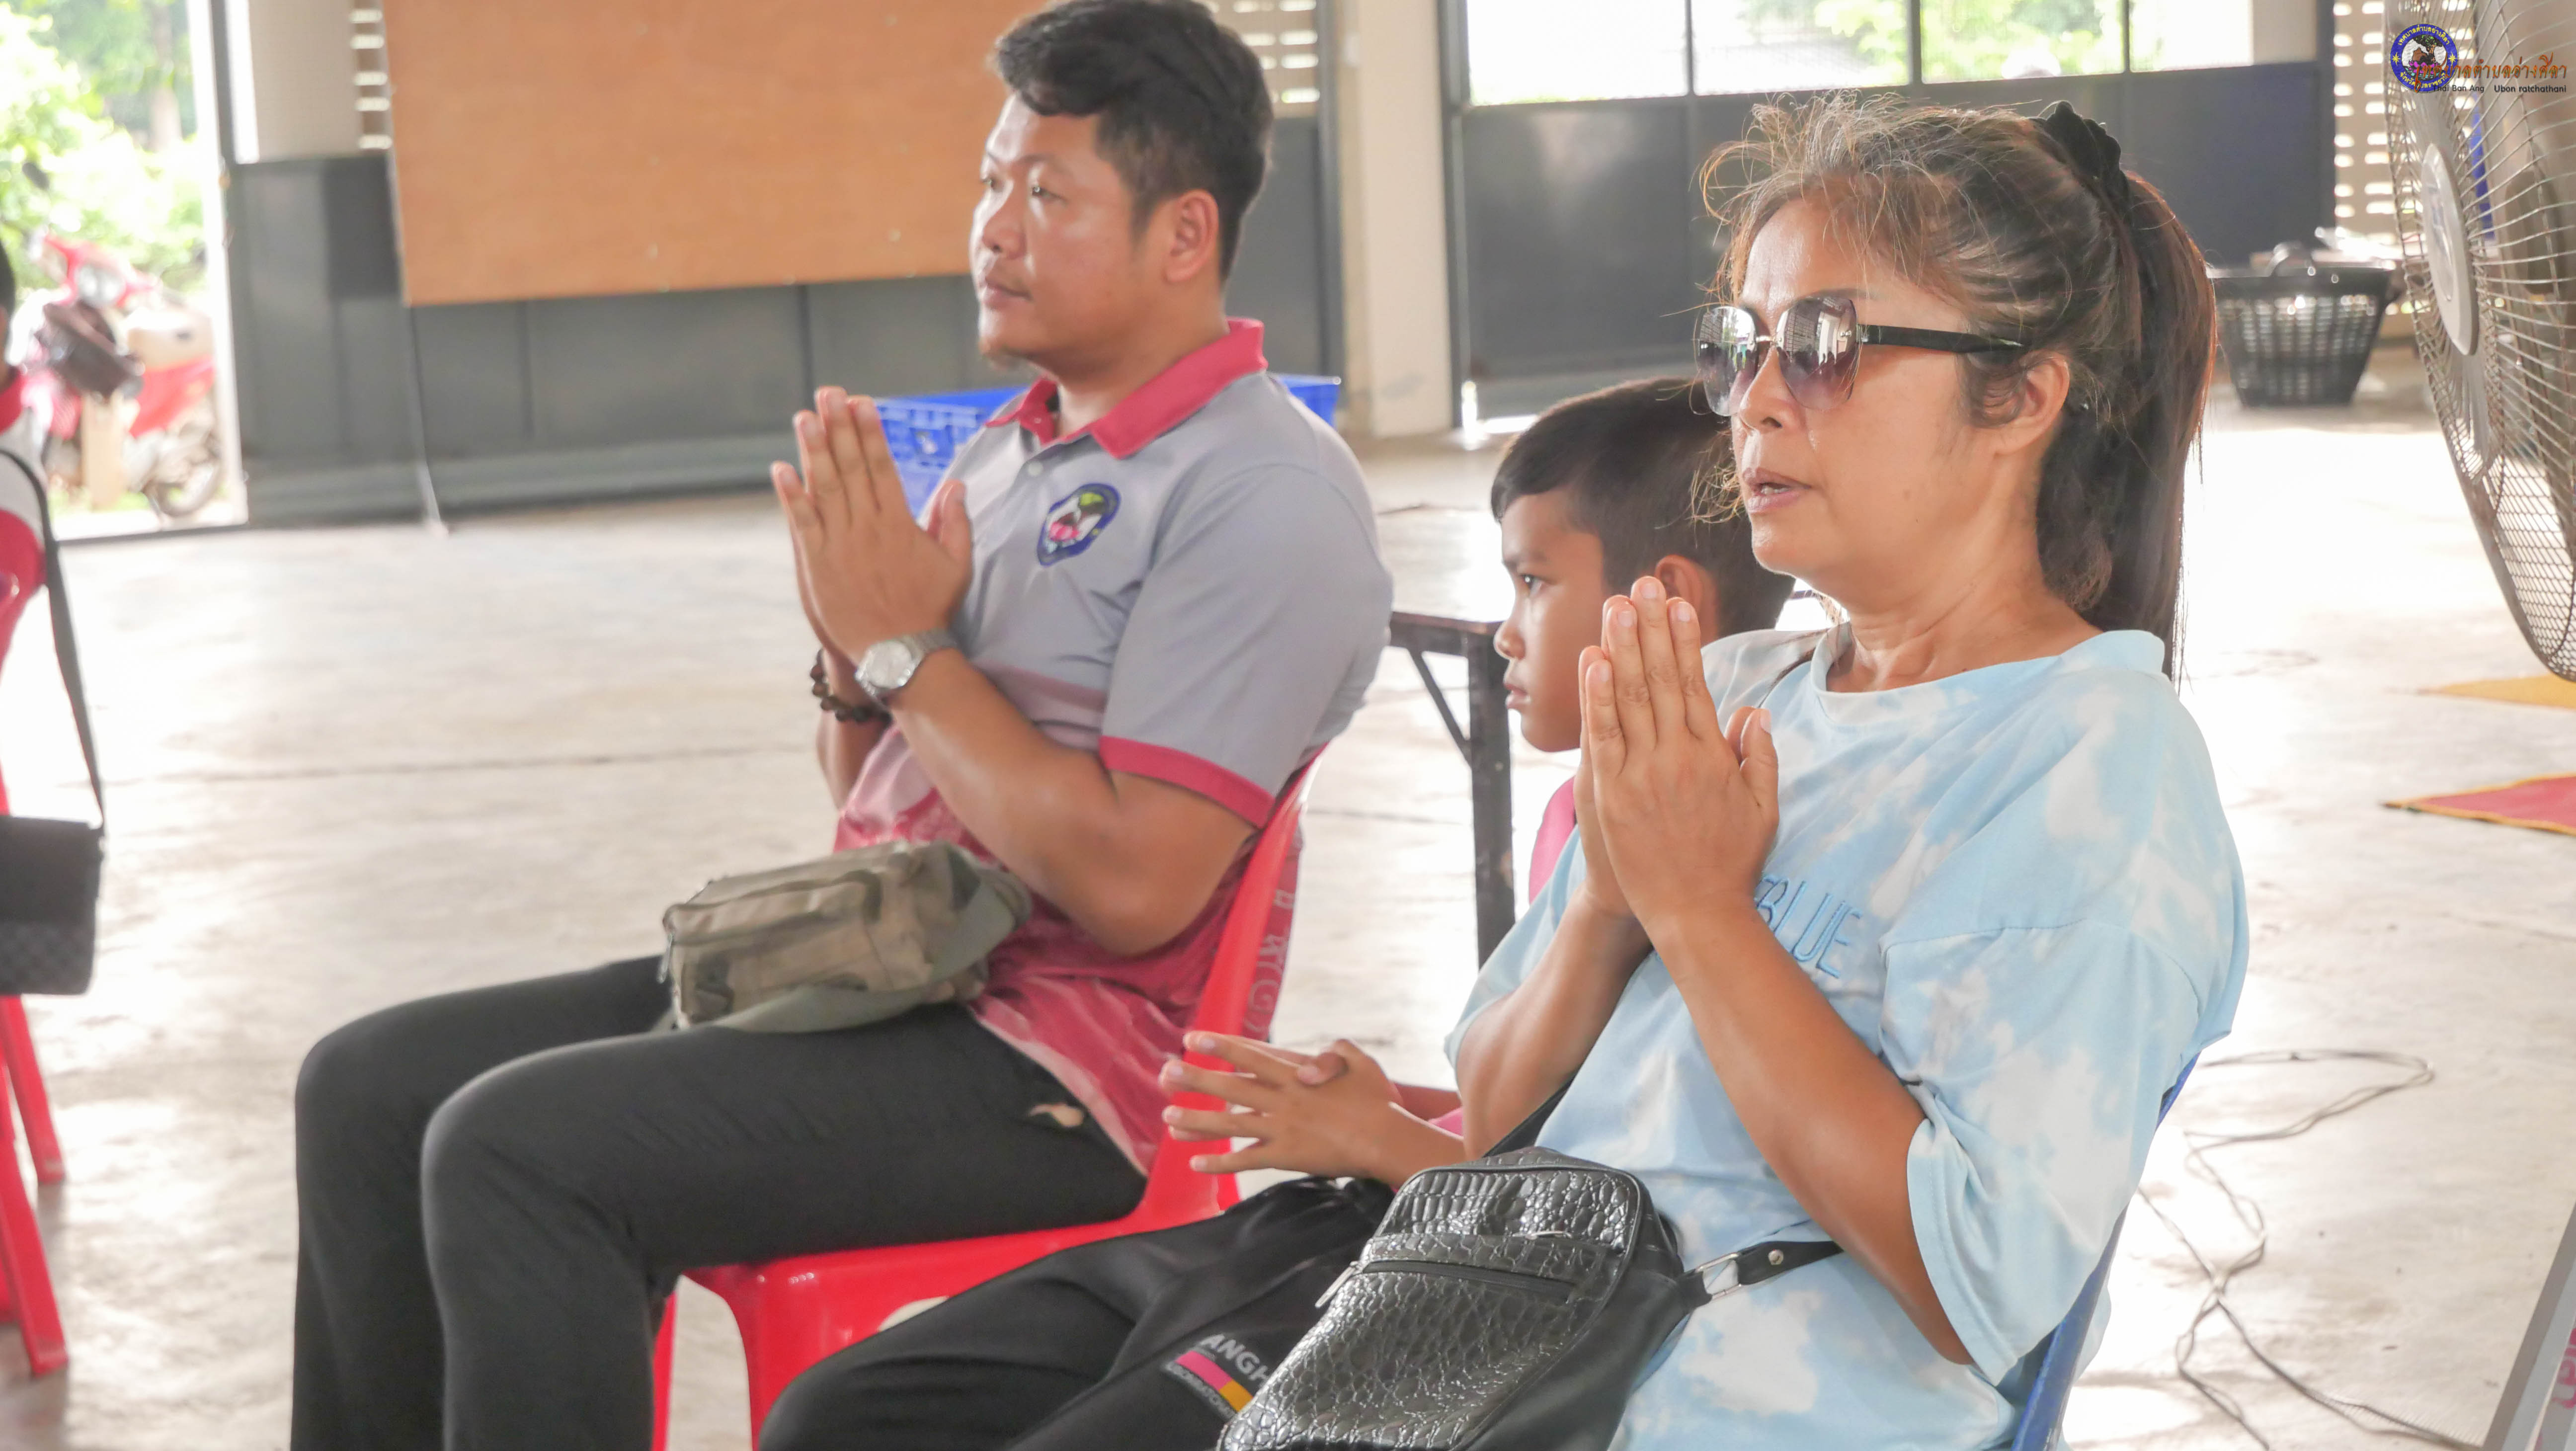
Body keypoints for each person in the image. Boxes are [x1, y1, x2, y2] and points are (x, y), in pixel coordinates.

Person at [288, 4, 1391, 1449]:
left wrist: (906, 650)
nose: (993, 227)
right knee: (369, 1086)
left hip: (1061, 1069)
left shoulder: (1260, 495)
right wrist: (854, 662)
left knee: (518, 1149)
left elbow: (1138, 890)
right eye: (990, 181)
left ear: (1186, 232)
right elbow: (873, 789)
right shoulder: (1018, 446)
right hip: (899, 975)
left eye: (1047, 192)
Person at [757, 377, 1794, 1451]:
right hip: (1368, 1210)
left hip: (1467, 1270)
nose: (1503, 633)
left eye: (1533, 582)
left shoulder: (1720, 829)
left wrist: (1382, 1137)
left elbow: (1636, 1191)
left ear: (1664, 601)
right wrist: (1390, 1105)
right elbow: (1560, 1100)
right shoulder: (1580, 813)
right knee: (834, 1411)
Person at [1451, 95, 2246, 1449]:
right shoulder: (1730, 692)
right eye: (1742, 348)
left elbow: (1975, 1273)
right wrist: (1609, 905)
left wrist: (1703, 913)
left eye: (1825, 347)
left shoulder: (2092, 766)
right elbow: (1489, 1118)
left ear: (2020, 397)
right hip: (1512, 1374)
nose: (1758, 401)